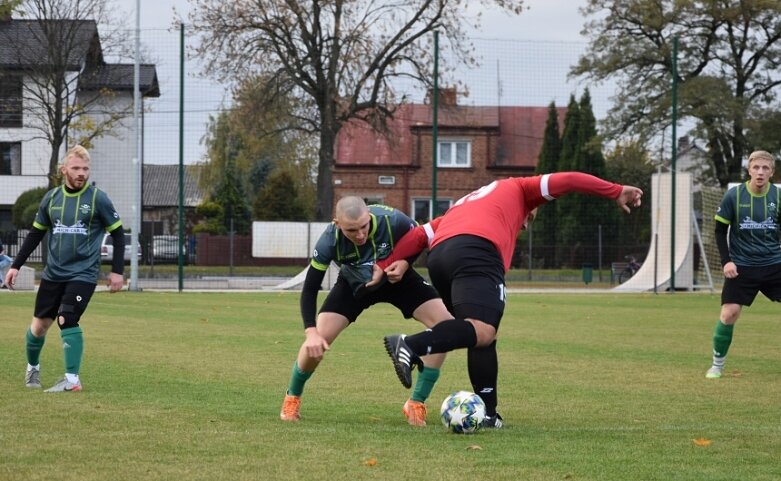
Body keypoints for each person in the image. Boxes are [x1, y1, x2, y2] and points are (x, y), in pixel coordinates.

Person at [380, 172, 643, 427]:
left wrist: (390, 263)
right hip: (477, 251)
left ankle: (488, 413)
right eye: (529, 215)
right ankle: (410, 345)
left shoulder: (465, 207)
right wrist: (616, 191)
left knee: (476, 334)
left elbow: (420, 235)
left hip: (441, 258)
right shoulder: (519, 188)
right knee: (482, 329)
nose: (526, 223)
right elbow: (570, 180)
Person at [279, 196, 452, 426]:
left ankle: (416, 403)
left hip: (398, 279)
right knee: (318, 340)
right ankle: (292, 397)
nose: (360, 235)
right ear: (337, 224)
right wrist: (310, 332)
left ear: (369, 217)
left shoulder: (394, 221)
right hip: (354, 285)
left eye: (364, 226)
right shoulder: (329, 241)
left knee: (447, 329)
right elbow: (310, 288)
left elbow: (420, 240)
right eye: (352, 230)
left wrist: (404, 263)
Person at [4, 145, 126, 392]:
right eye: (76, 168)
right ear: (64, 170)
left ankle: (72, 380)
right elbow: (36, 233)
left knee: (67, 317)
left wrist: (117, 271)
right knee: (38, 327)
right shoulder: (52, 198)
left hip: (83, 273)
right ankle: (33, 370)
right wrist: (15, 265)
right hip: (53, 274)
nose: (82, 173)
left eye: (85, 169)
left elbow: (119, 234)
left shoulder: (97, 198)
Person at [705, 150, 781, 379]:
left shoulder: (778, 197)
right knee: (729, 314)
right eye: (756, 167)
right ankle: (717, 365)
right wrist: (726, 261)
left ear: (772, 172)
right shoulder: (734, 196)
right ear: (749, 170)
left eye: (765, 168)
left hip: (774, 263)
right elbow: (719, 231)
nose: (760, 172)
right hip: (742, 266)